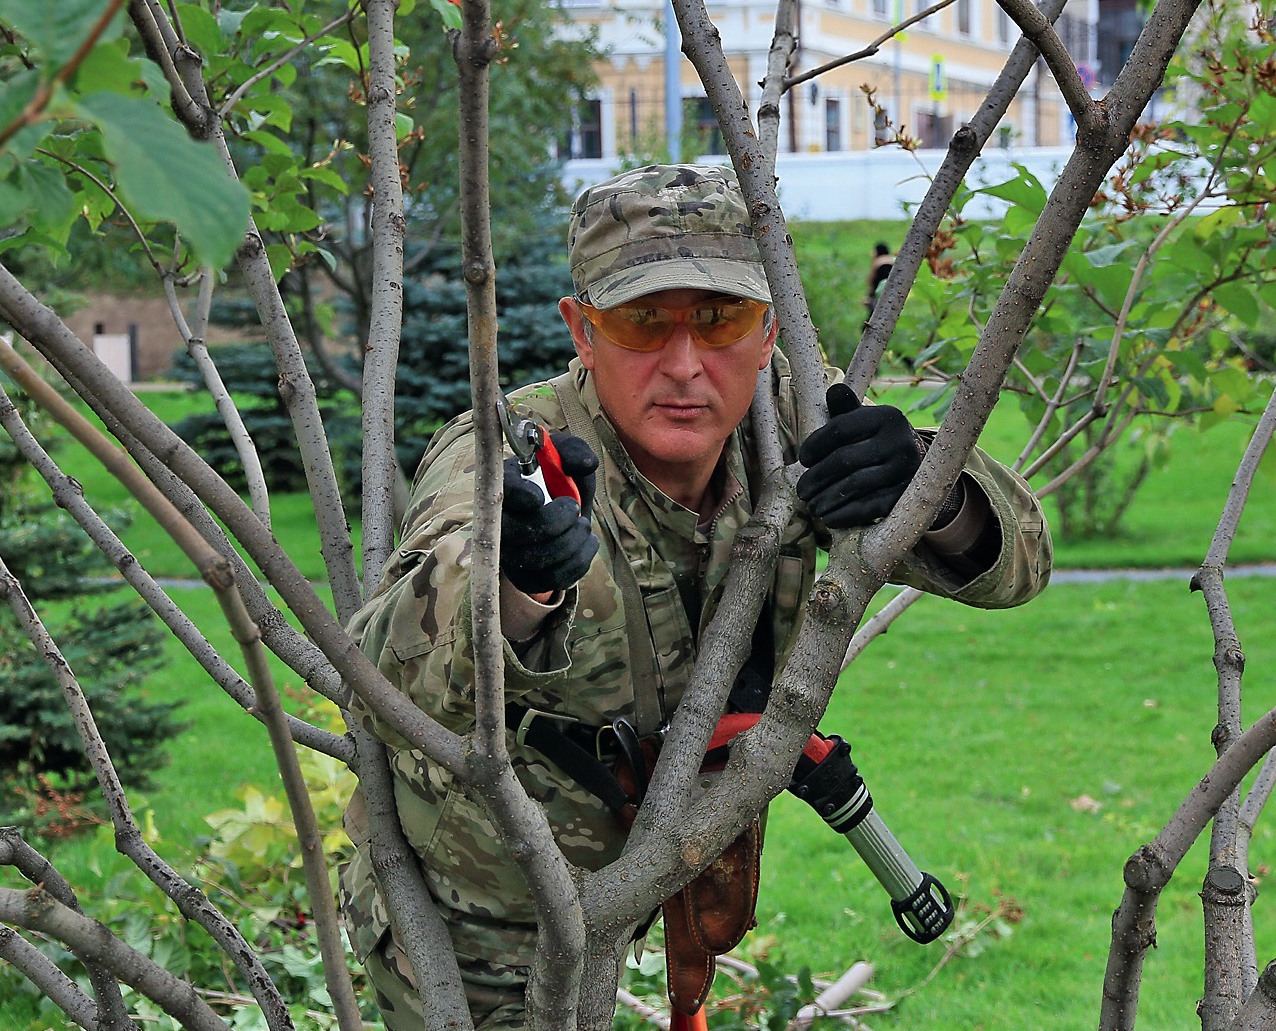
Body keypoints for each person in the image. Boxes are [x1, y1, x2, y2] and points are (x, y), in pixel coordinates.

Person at [339, 163, 1052, 1030]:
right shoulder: (510, 456)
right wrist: (513, 583)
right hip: (476, 917)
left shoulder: (794, 420)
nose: (683, 366)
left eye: (719, 319)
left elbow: (1021, 564)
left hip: (649, 883)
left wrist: (930, 495)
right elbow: (375, 681)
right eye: (642, 321)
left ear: (768, 329)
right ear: (582, 331)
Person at [865, 241, 895, 318]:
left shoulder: (880, 263)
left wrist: (871, 297)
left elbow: (877, 282)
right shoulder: (891, 261)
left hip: (880, 296)